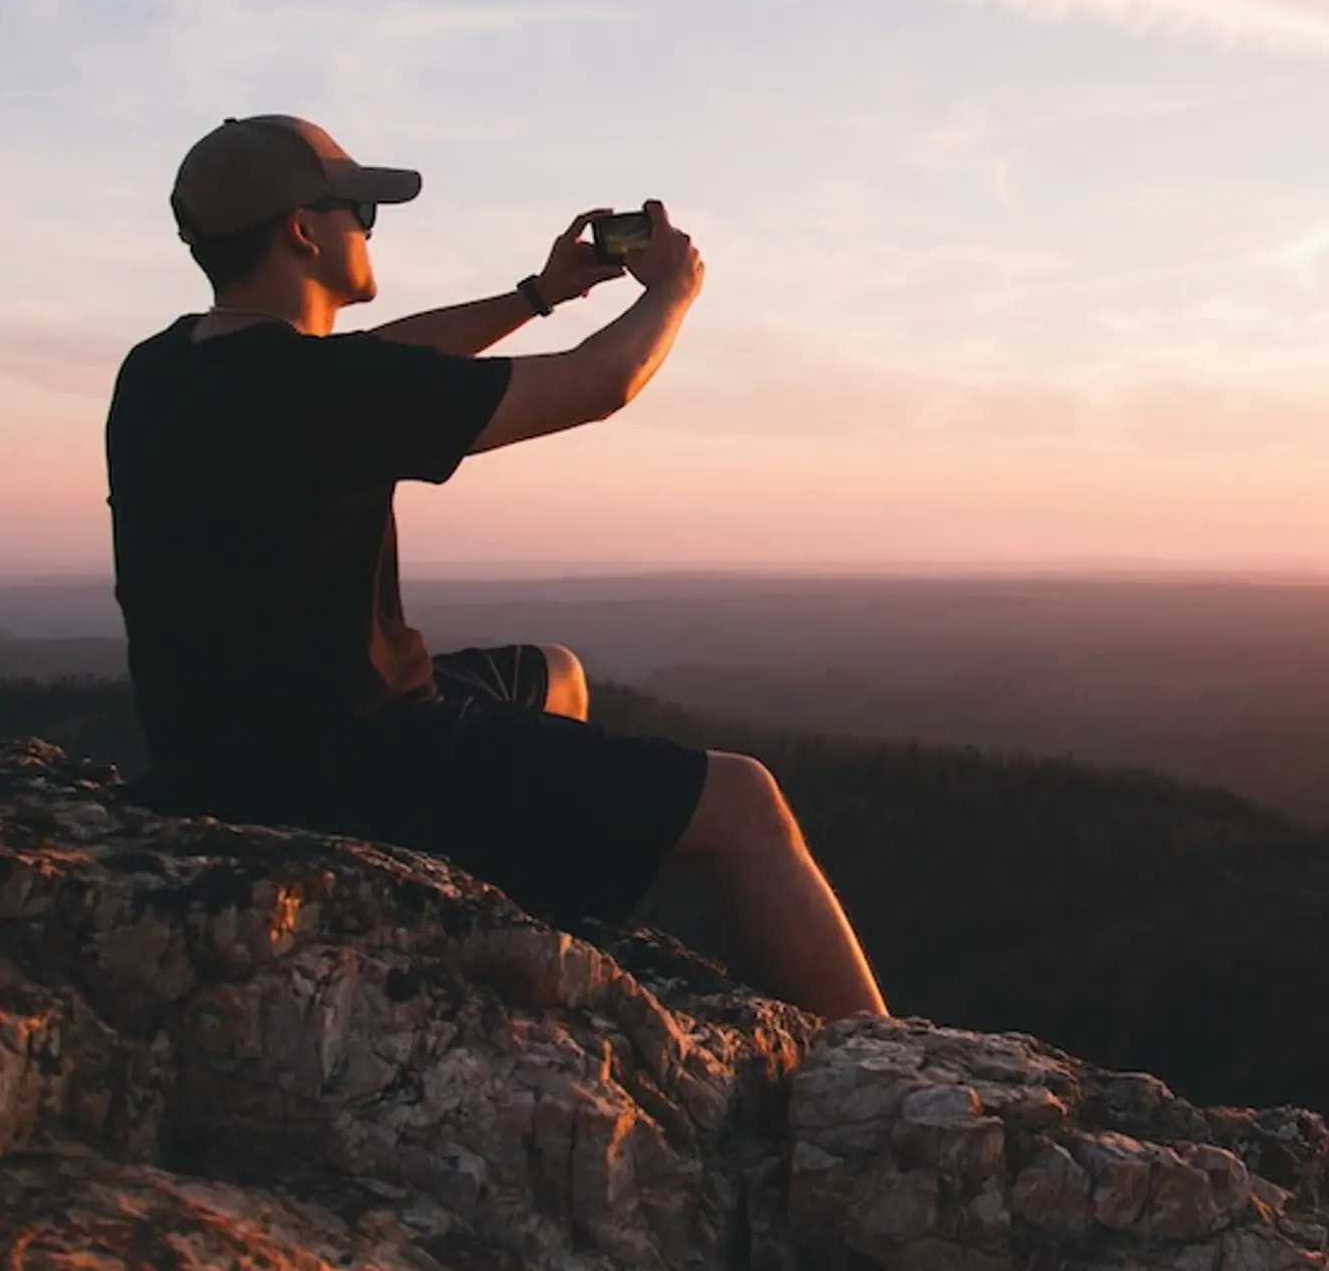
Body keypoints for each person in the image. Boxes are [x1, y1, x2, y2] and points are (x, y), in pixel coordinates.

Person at [104, 114, 884, 1020]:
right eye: (358, 208)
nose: (367, 225)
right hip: (346, 769)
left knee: (553, 675)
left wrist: (535, 293)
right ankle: (886, 1069)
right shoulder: (317, 392)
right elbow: (598, 383)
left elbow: (383, 358)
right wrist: (672, 292)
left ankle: (522, 894)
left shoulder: (163, 370)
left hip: (215, 753)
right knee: (744, 802)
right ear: (302, 231)